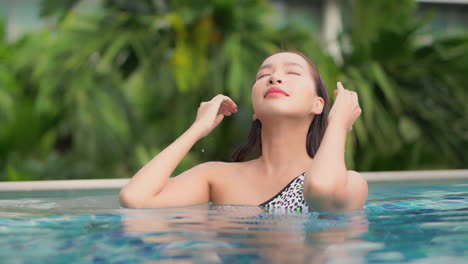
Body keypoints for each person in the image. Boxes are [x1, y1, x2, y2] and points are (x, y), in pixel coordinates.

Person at [119, 51, 368, 212]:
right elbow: (135, 199)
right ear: (255, 112)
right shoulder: (217, 177)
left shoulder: (351, 183)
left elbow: (322, 192)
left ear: (318, 104)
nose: (275, 78)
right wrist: (197, 129)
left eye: (291, 72)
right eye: (264, 75)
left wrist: (338, 123)